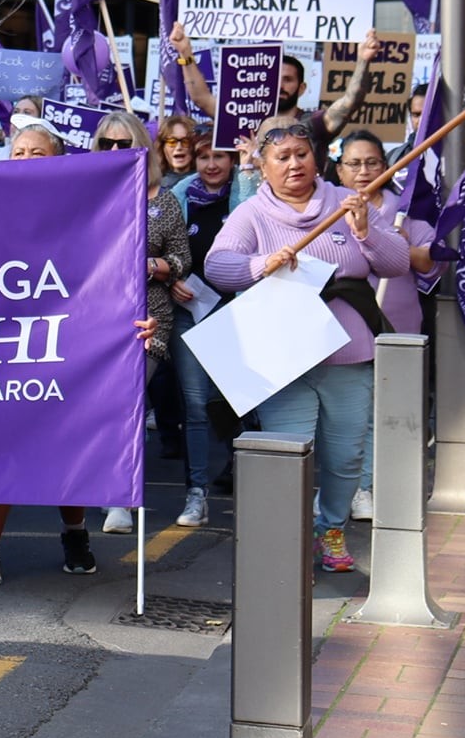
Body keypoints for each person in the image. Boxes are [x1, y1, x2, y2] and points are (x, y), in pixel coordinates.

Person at [204, 119, 412, 574]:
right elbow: (218, 266)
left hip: (348, 353)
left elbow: (397, 261)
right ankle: (289, 536)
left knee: (346, 454)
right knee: (289, 451)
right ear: (261, 166)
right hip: (284, 357)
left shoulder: (344, 200)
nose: (294, 164)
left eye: (302, 153)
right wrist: (261, 265)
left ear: (316, 157)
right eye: (282, 157)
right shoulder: (252, 214)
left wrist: (365, 231)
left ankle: (331, 529)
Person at [0, 122, 141, 590]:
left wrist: (137, 318)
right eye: (17, 151)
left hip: (67, 340)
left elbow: (113, 272)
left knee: (66, 440)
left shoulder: (84, 208)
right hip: (0, 339)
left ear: (58, 160)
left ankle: (75, 532)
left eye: (37, 152)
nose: (25, 160)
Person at [89, 111, 188, 536]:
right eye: (106, 145)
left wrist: (155, 264)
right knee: (96, 409)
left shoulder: (163, 200)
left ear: (142, 150)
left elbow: (184, 258)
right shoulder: (83, 193)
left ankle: (120, 500)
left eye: (123, 144)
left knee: (125, 406)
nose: (114, 151)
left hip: (147, 318)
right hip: (91, 316)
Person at [334, 130, 435, 522]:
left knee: (384, 412)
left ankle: (368, 487)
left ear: (387, 166)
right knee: (349, 414)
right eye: (353, 164)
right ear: (339, 170)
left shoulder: (405, 211)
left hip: (398, 327)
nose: (363, 171)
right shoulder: (328, 207)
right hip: (345, 329)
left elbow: (427, 260)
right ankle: (347, 486)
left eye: (372, 162)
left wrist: (391, 242)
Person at [169, 132, 251, 512]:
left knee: (245, 401)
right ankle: (196, 494)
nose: (212, 164)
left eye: (221, 156)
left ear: (233, 161)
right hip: (190, 316)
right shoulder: (179, 199)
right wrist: (171, 279)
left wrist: (251, 170)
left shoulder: (247, 198)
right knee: (196, 407)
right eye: (203, 157)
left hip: (236, 314)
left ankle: (252, 475)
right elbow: (159, 249)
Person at [171, 21, 381, 166]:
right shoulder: (245, 115)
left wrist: (363, 61)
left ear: (302, 88)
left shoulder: (312, 123)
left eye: (288, 80)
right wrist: (185, 53)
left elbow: (349, 103)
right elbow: (201, 98)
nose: (279, 86)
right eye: (275, 79)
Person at [155, 114, 200, 192]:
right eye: (172, 142)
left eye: (186, 141)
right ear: (162, 147)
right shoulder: (152, 186)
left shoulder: (207, 184)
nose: (179, 147)